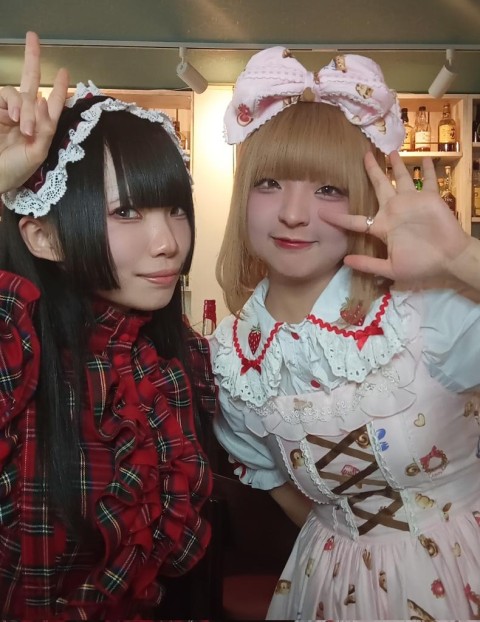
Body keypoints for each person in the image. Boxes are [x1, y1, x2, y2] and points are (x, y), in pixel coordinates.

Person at [211, 46, 480, 620]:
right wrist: (355, 549)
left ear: (363, 198)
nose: (293, 213)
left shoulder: (424, 310)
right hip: (329, 585)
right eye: (269, 183)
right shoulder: (234, 356)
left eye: (328, 189)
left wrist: (461, 260)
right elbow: (276, 482)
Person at [0, 32, 216, 618]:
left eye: (176, 208)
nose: (168, 242)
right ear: (43, 237)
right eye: (126, 211)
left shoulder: (177, 362)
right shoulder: (18, 351)